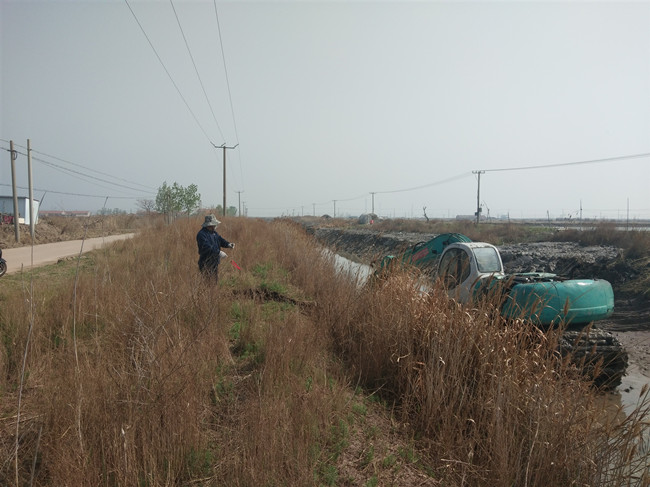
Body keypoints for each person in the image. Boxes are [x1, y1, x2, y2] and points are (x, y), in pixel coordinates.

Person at [196, 214, 235, 282]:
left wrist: (228, 244)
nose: (215, 226)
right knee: (208, 282)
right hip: (205, 262)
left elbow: (220, 240)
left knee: (214, 281)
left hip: (214, 262)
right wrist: (219, 252)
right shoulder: (201, 234)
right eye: (214, 224)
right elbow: (206, 247)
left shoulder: (214, 233)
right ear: (210, 225)